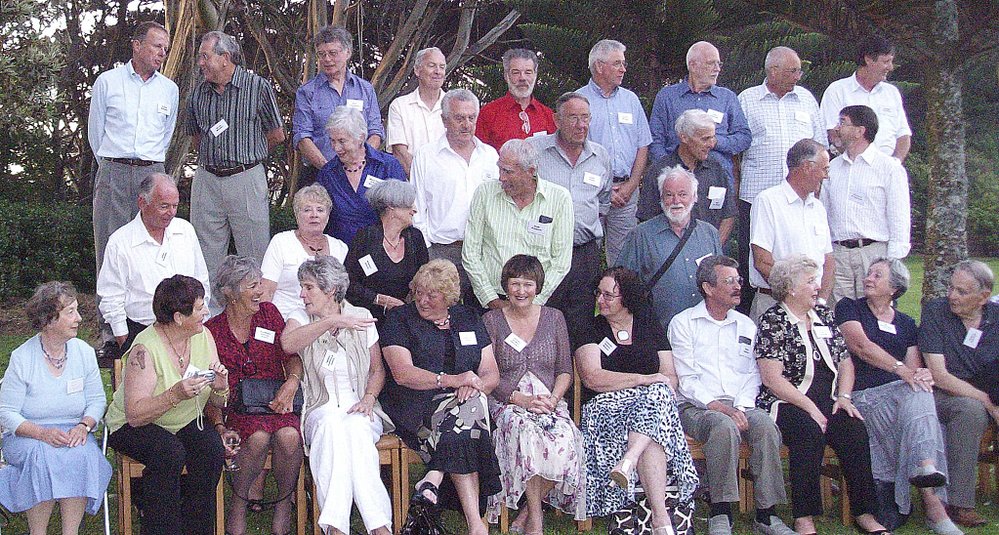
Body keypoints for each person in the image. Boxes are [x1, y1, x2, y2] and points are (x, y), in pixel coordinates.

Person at [754, 255, 889, 535]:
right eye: (810, 281)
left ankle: (865, 513)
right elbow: (771, 378)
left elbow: (845, 363)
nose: (818, 286)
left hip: (829, 399)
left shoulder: (824, 316)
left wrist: (845, 397)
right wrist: (810, 408)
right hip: (787, 402)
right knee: (808, 432)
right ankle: (804, 517)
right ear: (791, 288)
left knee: (854, 430)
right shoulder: (773, 320)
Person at [668, 256, 794, 535]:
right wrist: (723, 409)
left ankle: (767, 514)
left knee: (765, 426)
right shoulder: (684, 323)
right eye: (729, 281)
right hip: (697, 407)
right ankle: (720, 511)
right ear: (708, 288)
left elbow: (753, 374)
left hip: (741, 402)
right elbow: (687, 381)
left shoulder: (746, 325)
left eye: (738, 280)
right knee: (723, 427)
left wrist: (742, 406)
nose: (738, 286)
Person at [835, 258, 961, 535]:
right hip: (863, 396)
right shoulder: (850, 308)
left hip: (900, 399)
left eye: (877, 275)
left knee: (920, 390)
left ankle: (924, 476)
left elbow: (913, 369)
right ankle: (933, 501)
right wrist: (901, 370)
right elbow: (861, 346)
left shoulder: (906, 323)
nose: (868, 278)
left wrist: (921, 374)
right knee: (918, 401)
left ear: (894, 288)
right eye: (869, 273)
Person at [380, 259, 502, 535]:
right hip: (416, 404)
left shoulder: (468, 317)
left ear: (448, 297)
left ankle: (434, 480)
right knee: (470, 421)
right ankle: (475, 523)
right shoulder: (400, 320)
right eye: (418, 292)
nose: (422, 300)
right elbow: (402, 374)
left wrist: (475, 386)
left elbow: (490, 373)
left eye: (431, 295)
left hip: (464, 403)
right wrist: (453, 380)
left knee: (467, 418)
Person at [576, 267, 698, 533]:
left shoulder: (649, 325)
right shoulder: (590, 328)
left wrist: (651, 386)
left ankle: (631, 465)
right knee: (654, 413)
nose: (600, 300)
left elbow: (669, 376)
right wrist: (642, 380)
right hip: (607, 408)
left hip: (649, 406)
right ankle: (661, 518)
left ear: (627, 297)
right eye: (599, 293)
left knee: (656, 400)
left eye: (609, 295)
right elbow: (592, 378)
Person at [105, 275, 229, 535]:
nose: (207, 312)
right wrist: (175, 394)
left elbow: (217, 400)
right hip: (132, 424)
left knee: (211, 449)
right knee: (168, 452)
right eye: (200, 308)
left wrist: (220, 387)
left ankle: (197, 529)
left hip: (182, 419)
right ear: (178, 317)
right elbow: (135, 414)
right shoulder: (145, 348)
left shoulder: (203, 336)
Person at [280, 256, 393, 535]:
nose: (302, 294)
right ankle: (374, 528)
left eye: (308, 288)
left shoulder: (362, 316)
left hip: (360, 405)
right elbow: (288, 343)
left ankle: (342, 527)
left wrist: (368, 399)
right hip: (321, 407)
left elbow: (377, 370)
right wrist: (330, 320)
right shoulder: (300, 317)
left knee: (356, 430)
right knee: (332, 428)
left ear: (330, 290)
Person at [482, 255, 586, 531]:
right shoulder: (491, 321)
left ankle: (528, 511)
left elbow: (565, 370)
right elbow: (487, 372)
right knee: (527, 434)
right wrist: (521, 400)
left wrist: (553, 400)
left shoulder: (554, 318)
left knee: (567, 438)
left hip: (548, 400)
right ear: (505, 286)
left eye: (528, 284)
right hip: (508, 401)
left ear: (537, 287)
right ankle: (536, 521)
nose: (521, 291)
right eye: (515, 284)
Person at [0, 282, 112, 535]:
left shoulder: (84, 353)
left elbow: (97, 400)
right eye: (70, 312)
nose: (79, 318)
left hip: (73, 430)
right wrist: (42, 433)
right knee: (43, 456)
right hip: (27, 435)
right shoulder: (22, 358)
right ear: (49, 320)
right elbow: (6, 412)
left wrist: (84, 426)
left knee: (81, 454)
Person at [205, 256, 304, 535]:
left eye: (260, 283)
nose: (260, 291)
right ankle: (239, 503)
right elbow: (209, 388)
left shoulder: (269, 314)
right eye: (252, 286)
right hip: (235, 407)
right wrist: (219, 425)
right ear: (230, 292)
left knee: (289, 436)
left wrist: (292, 382)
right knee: (258, 437)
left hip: (275, 400)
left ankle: (283, 505)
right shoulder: (212, 330)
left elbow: (291, 356)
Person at [188, 30, 285, 284]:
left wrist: (248, 154)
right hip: (206, 180)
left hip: (246, 178)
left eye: (205, 56)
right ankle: (209, 309)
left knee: (254, 254)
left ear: (225, 58)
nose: (200, 62)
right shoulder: (198, 93)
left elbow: (276, 134)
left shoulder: (257, 87)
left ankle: (256, 307)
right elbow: (195, 137)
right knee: (205, 256)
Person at [737, 46, 826, 312]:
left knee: (800, 257)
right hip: (755, 197)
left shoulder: (807, 100)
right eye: (793, 70)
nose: (798, 76)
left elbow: (819, 146)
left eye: (799, 70)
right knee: (756, 266)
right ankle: (756, 320)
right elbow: (735, 152)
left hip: (799, 200)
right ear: (773, 71)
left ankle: (803, 305)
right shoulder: (747, 99)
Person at [88, 21, 178, 274]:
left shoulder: (169, 89)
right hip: (113, 172)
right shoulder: (107, 82)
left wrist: (150, 164)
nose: (162, 53)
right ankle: (109, 302)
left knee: (152, 244)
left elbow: (166, 135)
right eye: (157, 46)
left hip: (152, 173)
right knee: (109, 246)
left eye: (165, 48)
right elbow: (96, 132)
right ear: (137, 46)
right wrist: (112, 164)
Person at [919, 260, 999, 528]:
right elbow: (939, 375)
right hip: (943, 393)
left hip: (989, 389)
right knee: (970, 410)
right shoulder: (936, 312)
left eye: (962, 291)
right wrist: (987, 401)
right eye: (951, 288)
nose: (952, 295)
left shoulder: (995, 318)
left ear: (983, 297)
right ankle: (960, 503)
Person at [528, 91, 612, 346]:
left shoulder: (600, 157)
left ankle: (578, 371)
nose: (581, 125)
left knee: (581, 323)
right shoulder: (534, 151)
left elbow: (603, 202)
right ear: (556, 120)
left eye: (585, 118)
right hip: (545, 252)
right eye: (573, 117)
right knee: (542, 319)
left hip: (584, 254)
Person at [97, 173, 210, 356]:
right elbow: (111, 298)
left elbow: (202, 280)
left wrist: (200, 321)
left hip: (188, 330)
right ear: (142, 203)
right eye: (164, 206)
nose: (171, 212)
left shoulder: (185, 231)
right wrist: (126, 343)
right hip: (141, 332)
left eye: (175, 206)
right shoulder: (120, 242)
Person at [462, 139, 574, 310]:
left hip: (537, 303)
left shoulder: (559, 199)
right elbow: (470, 253)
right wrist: (490, 299)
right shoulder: (484, 193)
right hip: (489, 301)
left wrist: (532, 303)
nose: (501, 177)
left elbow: (561, 262)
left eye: (508, 171)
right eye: (500, 169)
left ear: (531, 171)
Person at [411, 88, 499, 302]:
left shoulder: (490, 156)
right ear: (444, 120)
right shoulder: (426, 156)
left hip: (484, 252)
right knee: (441, 311)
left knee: (480, 312)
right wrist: (428, 251)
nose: (466, 124)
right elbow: (416, 207)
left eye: (471, 118)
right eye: (459, 118)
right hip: (442, 251)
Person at [821, 105, 911, 305]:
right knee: (839, 313)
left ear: (860, 131)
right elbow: (823, 213)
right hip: (838, 254)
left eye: (843, 122)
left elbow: (899, 217)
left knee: (874, 311)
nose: (836, 128)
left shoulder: (889, 168)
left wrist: (890, 263)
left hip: (873, 254)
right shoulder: (832, 168)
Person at [618, 165, 722, 331]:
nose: (676, 201)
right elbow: (621, 283)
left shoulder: (710, 234)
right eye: (669, 195)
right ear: (661, 198)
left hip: (705, 330)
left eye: (682, 194)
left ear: (694, 197)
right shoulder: (641, 235)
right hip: (658, 331)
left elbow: (721, 282)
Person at [576, 39, 652, 266]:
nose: (623, 69)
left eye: (623, 63)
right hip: (590, 192)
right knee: (586, 254)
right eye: (617, 63)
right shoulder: (578, 101)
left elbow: (643, 145)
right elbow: (573, 151)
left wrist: (632, 185)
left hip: (627, 192)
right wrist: (605, 190)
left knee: (624, 259)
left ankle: (618, 290)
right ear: (599, 66)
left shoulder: (631, 100)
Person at [748, 139, 834, 321]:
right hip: (774, 303)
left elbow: (828, 261)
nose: (826, 176)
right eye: (824, 169)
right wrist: (794, 296)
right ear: (807, 167)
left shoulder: (818, 208)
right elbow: (762, 261)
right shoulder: (768, 201)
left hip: (813, 308)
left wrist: (821, 302)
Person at [649, 41, 751, 186]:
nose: (717, 69)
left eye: (719, 64)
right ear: (692, 65)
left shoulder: (727, 98)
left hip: (717, 179)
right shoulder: (667, 97)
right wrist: (668, 171)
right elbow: (655, 140)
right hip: (675, 182)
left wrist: (715, 142)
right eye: (711, 63)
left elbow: (744, 138)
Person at [294, 25, 384, 187]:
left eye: (333, 53)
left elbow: (375, 131)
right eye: (322, 54)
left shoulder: (365, 89)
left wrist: (360, 164)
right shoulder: (306, 92)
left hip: (361, 174)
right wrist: (330, 170)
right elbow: (302, 137)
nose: (327, 59)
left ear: (347, 52)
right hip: (320, 174)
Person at [637, 109, 737, 244]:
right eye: (705, 139)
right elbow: (647, 220)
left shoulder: (716, 169)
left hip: (711, 250)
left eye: (713, 137)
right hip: (670, 251)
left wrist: (714, 246)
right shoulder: (659, 172)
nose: (712, 144)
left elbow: (728, 214)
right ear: (684, 137)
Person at [316, 106, 407, 245]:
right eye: (332, 141)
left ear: (361, 138)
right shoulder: (328, 174)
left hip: (382, 248)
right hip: (342, 251)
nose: (336, 148)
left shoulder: (387, 166)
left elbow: (403, 213)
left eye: (342, 141)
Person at [345, 180, 429, 322]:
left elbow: (426, 277)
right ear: (391, 208)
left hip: (408, 316)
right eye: (409, 205)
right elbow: (349, 283)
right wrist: (380, 300)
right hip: (370, 317)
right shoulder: (366, 237)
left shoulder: (415, 238)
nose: (414, 210)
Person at [260, 184, 349, 319]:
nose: (314, 215)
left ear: (328, 216)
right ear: (297, 215)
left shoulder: (340, 248)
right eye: (307, 210)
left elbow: (342, 295)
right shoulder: (281, 242)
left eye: (320, 210)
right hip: (284, 319)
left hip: (327, 321)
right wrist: (267, 324)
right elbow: (266, 291)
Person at [820, 36, 911, 160]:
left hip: (888, 166)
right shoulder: (837, 90)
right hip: (850, 165)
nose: (890, 67)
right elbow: (833, 134)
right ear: (868, 59)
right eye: (886, 62)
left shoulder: (892, 93)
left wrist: (895, 163)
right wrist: (860, 163)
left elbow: (903, 135)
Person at [477, 48, 557, 151]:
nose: (522, 78)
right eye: (516, 73)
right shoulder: (488, 114)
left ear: (535, 75)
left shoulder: (548, 116)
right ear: (506, 76)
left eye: (528, 72)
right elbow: (478, 154)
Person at [386, 47, 447, 174]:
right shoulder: (399, 106)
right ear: (417, 70)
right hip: (411, 181)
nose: (438, 71)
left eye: (442, 67)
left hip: (449, 181)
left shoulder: (454, 107)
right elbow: (400, 153)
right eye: (432, 66)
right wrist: (422, 180)